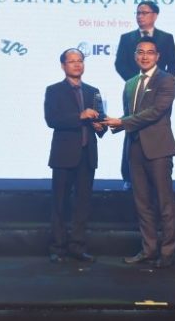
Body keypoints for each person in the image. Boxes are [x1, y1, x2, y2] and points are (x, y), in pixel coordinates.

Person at [103, 37, 175, 268]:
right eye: (140, 52)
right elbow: (130, 117)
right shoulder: (130, 83)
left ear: (157, 56)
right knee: (142, 204)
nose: (145, 56)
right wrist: (109, 123)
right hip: (134, 149)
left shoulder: (167, 80)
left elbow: (156, 112)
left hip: (158, 149)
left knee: (165, 204)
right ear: (135, 56)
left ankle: (167, 254)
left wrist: (122, 122)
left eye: (149, 52)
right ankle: (148, 250)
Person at [44, 48, 106, 263]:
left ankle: (77, 246)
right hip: (64, 155)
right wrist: (80, 116)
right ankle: (58, 248)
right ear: (63, 65)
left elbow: (101, 119)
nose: (77, 64)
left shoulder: (93, 91)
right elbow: (52, 119)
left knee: (82, 204)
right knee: (60, 204)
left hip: (87, 155)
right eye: (72, 61)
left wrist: (100, 126)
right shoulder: (54, 90)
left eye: (80, 60)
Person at [114, 1, 175, 191]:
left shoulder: (166, 37)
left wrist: (157, 81)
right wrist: (137, 81)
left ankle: (156, 176)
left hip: (158, 91)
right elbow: (120, 64)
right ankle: (129, 177)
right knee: (131, 127)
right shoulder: (127, 38)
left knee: (155, 129)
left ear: (155, 15)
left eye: (144, 12)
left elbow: (174, 64)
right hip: (135, 91)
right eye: (138, 13)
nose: (140, 16)